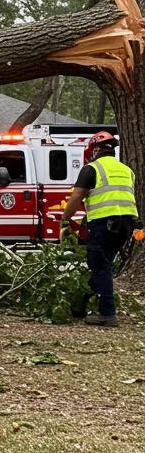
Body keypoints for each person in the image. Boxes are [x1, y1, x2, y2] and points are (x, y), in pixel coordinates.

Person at [59, 131, 137, 326]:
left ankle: (107, 313)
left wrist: (65, 220)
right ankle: (81, 303)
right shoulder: (127, 170)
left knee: (100, 266)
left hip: (105, 224)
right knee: (103, 264)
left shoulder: (91, 169)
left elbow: (77, 196)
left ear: (94, 150)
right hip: (126, 225)